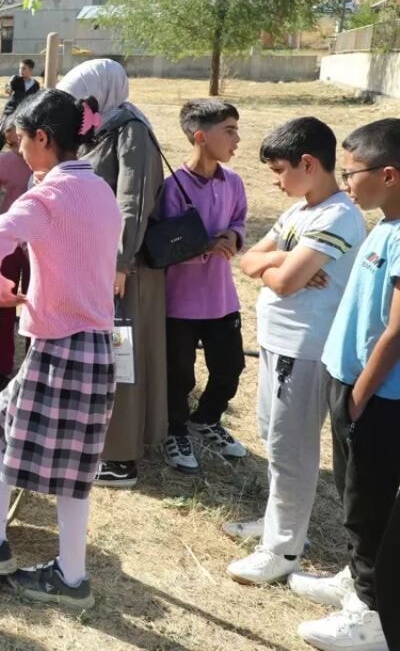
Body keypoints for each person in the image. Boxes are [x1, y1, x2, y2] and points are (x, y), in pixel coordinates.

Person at [0, 89, 120, 611]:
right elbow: (81, 260)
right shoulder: (99, 188)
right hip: (90, 341)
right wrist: (34, 293)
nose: (16, 150)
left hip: (63, 344)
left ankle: (66, 574)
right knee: (4, 428)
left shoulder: (47, 196)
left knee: (64, 468)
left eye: (21, 140)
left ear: (44, 138)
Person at [228, 117, 364, 586]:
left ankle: (283, 548)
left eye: (281, 169)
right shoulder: (300, 211)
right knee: (272, 435)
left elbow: (283, 283)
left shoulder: (338, 215)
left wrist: (281, 267)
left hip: (304, 349)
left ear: (309, 163)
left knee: (292, 449)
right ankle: (278, 525)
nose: (276, 180)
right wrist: (287, 259)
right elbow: (247, 260)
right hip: (276, 342)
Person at [291, 118, 400, 651]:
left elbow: (398, 329)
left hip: (379, 397)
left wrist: (361, 394)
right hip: (350, 383)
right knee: (350, 492)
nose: (346, 181)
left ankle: (373, 616)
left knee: (369, 502)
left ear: (389, 174)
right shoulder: (383, 224)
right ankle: (357, 581)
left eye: (353, 172)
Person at [58, 58, 167, 489]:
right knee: (105, 356)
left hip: (125, 271)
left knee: (122, 357)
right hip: (100, 264)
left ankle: (120, 458)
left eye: (83, 101)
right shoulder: (105, 128)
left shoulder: (130, 131)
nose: (79, 109)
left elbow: (132, 201)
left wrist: (120, 262)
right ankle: (101, 441)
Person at [160, 100, 248, 474]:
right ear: (200, 136)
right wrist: (204, 246)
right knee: (179, 374)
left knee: (230, 365)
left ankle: (207, 419)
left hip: (221, 297)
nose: (237, 139)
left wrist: (232, 235)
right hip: (179, 301)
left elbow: (241, 221)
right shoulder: (172, 187)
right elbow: (164, 243)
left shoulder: (234, 182)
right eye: (229, 130)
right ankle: (175, 430)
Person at [0, 118, 34, 398]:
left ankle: (31, 369)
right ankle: (2, 371)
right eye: (11, 131)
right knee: (3, 308)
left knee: (33, 305)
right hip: (8, 244)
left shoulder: (46, 161)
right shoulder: (4, 161)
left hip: (37, 245)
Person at [0, 59, 39, 160]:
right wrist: (9, 88)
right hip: (10, 113)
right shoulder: (15, 79)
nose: (21, 71)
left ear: (30, 70)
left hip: (23, 115)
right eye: (20, 68)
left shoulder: (35, 85)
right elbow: (8, 88)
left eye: (24, 68)